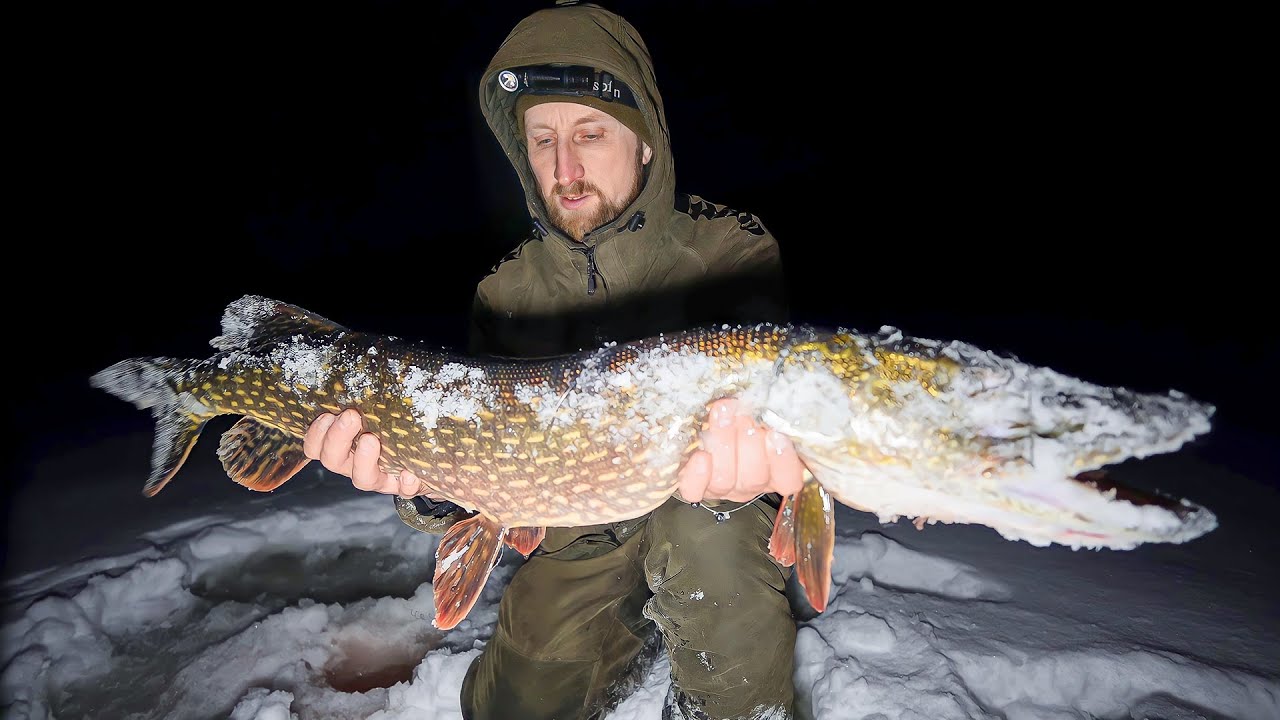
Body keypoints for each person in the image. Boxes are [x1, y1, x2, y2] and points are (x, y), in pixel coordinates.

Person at [303, 2, 805, 718]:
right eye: (543, 141)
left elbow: (771, 407)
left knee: (706, 540)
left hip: (708, 511)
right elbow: (473, 453)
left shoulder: (731, 247)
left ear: (645, 144)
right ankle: (629, 632)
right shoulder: (505, 288)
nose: (565, 168)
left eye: (590, 134)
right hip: (578, 526)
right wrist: (429, 489)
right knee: (512, 707)